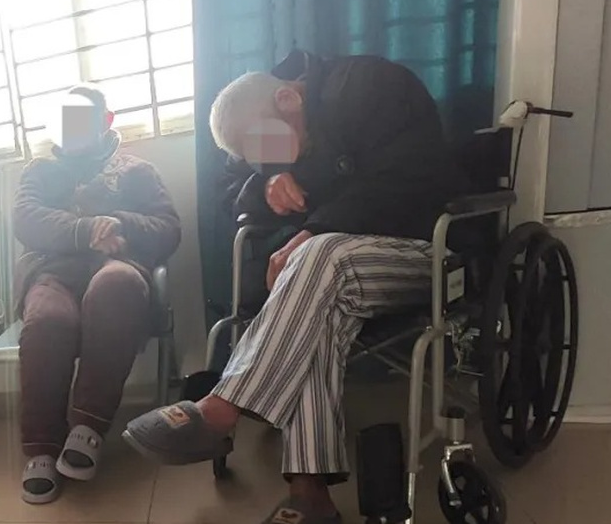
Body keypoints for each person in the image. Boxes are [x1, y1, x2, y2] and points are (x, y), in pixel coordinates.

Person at [122, 51, 470, 524]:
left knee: (317, 254)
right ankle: (310, 496)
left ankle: (222, 407)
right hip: (334, 275)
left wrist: (314, 231)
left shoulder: (370, 86)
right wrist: (268, 179)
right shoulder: (282, 141)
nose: (268, 158)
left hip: (422, 248)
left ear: (288, 99)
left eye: (268, 146)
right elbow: (232, 189)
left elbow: (408, 179)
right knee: (318, 311)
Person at [14, 84, 181, 504]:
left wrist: (118, 222)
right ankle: (42, 446)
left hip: (119, 267)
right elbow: (26, 220)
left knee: (115, 286)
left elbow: (168, 228)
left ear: (106, 120)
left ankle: (88, 425)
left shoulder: (137, 170)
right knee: (47, 321)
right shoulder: (39, 170)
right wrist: (85, 229)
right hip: (53, 273)